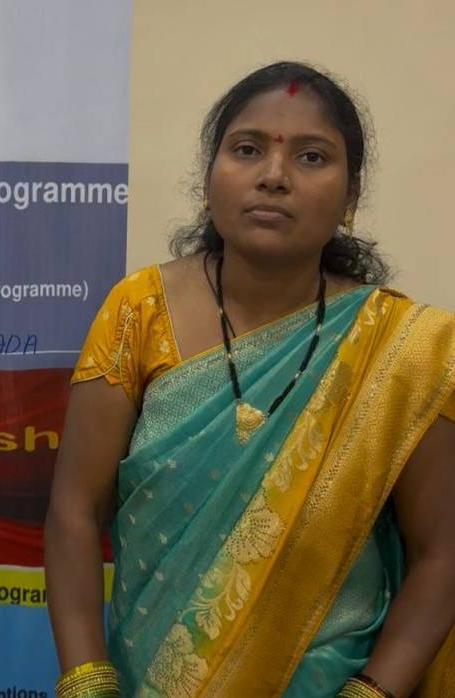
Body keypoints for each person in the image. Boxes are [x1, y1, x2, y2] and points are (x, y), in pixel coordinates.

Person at [43, 62, 455, 698]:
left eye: (312, 157)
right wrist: (86, 681)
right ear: (209, 175)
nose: (274, 175)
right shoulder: (139, 311)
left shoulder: (409, 349)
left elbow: (442, 553)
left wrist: (371, 693)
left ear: (351, 193)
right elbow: (73, 511)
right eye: (247, 149)